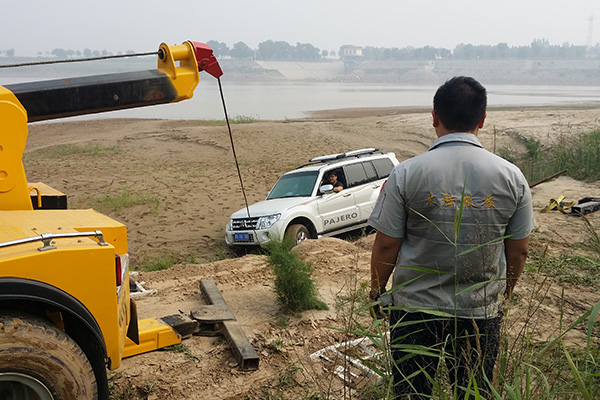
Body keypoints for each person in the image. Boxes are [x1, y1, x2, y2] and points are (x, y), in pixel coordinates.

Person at [368, 76, 535, 399]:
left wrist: (377, 291)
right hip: (480, 312)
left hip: (414, 310)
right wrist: (505, 292)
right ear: (482, 120)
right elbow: (520, 250)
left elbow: (387, 243)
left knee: (411, 393)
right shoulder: (511, 177)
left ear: (434, 117)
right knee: (472, 393)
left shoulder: (407, 173)